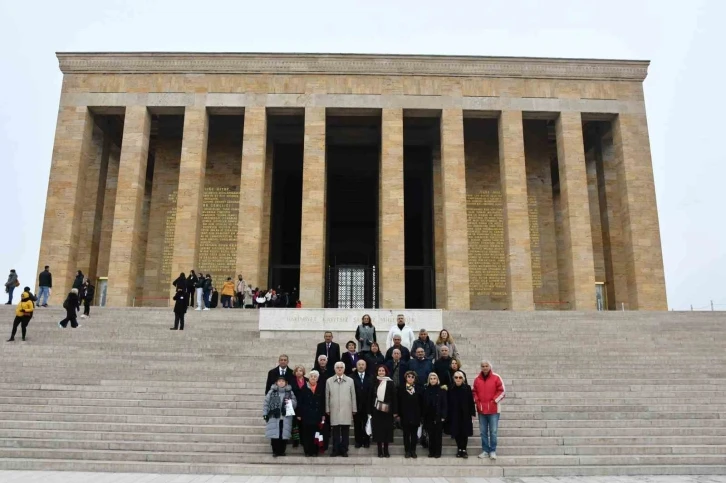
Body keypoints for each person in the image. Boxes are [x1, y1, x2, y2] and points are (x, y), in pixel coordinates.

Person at [473, 360, 505, 460]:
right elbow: (474, 392)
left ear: (490, 367)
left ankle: (492, 451)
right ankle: (485, 450)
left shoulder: (496, 377)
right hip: (482, 410)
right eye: (483, 366)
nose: (485, 368)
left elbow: (502, 391)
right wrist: (477, 402)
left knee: (493, 431)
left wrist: (494, 401)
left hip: (493, 410)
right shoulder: (477, 379)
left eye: (486, 366)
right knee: (483, 432)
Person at [325, 362, 356, 457]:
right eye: (337, 367)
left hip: (346, 409)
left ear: (344, 369)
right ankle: (335, 449)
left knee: (345, 432)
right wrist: (327, 408)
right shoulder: (329, 381)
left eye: (341, 367)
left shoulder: (350, 381)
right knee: (335, 431)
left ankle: (344, 450)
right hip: (334, 409)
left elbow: (353, 395)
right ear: (334, 369)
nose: (339, 369)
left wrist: (354, 408)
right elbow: (327, 396)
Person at [263, 376, 297, 457]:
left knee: (283, 435)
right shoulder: (271, 392)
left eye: (283, 381)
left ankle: (282, 451)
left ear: (286, 383)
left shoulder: (290, 392)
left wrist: (290, 401)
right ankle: (275, 451)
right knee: (274, 435)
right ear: (276, 383)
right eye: (279, 381)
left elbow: (295, 403)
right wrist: (265, 414)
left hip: (285, 418)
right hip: (274, 417)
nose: (281, 382)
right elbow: (266, 404)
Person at [370, 365, 397, 458]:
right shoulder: (373, 381)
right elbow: (370, 396)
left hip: (387, 410)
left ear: (386, 372)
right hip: (376, 410)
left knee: (387, 430)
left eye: (383, 370)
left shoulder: (390, 382)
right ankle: (379, 450)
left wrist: (395, 411)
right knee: (378, 430)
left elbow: (394, 397)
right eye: (379, 370)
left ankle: (386, 450)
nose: (381, 372)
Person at [297, 370, 325, 456]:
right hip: (306, 415)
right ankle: (307, 451)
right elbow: (300, 402)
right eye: (311, 376)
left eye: (315, 377)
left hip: (317, 415)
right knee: (307, 434)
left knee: (316, 434)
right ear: (309, 378)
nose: (313, 378)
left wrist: (323, 414)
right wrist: (299, 414)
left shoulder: (321, 388)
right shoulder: (304, 388)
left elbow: (323, 402)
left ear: (317, 379)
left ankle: (314, 451)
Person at [448, 370, 475, 458]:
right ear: (454, 379)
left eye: (460, 377)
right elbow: (448, 402)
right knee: (456, 432)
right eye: (456, 377)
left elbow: (471, 401)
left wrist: (472, 413)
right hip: (454, 413)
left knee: (464, 432)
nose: (458, 379)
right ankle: (459, 449)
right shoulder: (451, 388)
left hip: (465, 414)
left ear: (463, 379)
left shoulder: (467, 388)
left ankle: (464, 449)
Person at [398, 370, 423, 458]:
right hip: (405, 415)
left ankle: (413, 450)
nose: (410, 378)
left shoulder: (419, 388)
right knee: (406, 435)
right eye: (409, 376)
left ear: (415, 379)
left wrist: (421, 415)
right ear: (406, 378)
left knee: (414, 435)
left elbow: (421, 403)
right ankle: (407, 451)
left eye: (412, 377)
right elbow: (398, 402)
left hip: (416, 415)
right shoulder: (401, 388)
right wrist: (398, 414)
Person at [422, 372, 447, 458]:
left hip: (438, 416)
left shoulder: (442, 390)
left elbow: (444, 404)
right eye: (431, 379)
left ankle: (437, 452)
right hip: (429, 416)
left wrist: (443, 416)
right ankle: (431, 451)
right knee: (431, 435)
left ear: (437, 380)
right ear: (429, 380)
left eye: (434, 378)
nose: (433, 380)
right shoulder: (425, 390)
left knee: (438, 435)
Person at [351, 359, 371, 448]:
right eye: (359, 364)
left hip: (367, 405)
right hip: (356, 405)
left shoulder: (371, 377)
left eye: (363, 364)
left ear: (365, 366)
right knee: (357, 424)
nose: (361, 366)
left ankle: (366, 441)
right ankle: (358, 441)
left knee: (367, 424)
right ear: (356, 366)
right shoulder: (351, 377)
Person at [290, 365, 307, 448]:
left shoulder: (307, 380)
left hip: (305, 405)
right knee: (295, 424)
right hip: (295, 405)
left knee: (304, 423)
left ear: (303, 372)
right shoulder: (291, 381)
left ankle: (304, 440)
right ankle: (296, 441)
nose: (298, 372)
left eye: (300, 370)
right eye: (297, 371)